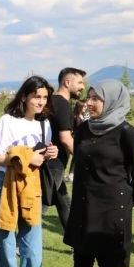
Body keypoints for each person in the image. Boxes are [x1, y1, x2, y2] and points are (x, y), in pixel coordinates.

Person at [63, 79, 134, 267]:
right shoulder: (84, 129)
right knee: (81, 255)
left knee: (107, 259)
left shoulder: (126, 132)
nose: (89, 103)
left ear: (111, 101)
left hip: (111, 206)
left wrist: (130, 198)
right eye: (88, 97)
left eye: (95, 99)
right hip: (83, 202)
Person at [0, 76, 58, 267]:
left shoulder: (44, 124)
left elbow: (38, 157)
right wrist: (25, 158)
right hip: (5, 184)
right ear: (25, 96)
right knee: (4, 243)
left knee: (33, 247)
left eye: (45, 97)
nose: (41, 102)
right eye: (37, 96)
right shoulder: (8, 121)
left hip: (31, 186)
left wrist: (50, 153)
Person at [45, 68, 86, 228]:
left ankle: (76, 243)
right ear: (67, 82)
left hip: (54, 163)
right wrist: (85, 160)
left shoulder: (53, 101)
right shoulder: (62, 104)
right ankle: (21, 245)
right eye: (80, 82)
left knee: (64, 202)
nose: (82, 87)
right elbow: (66, 139)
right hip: (53, 164)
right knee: (41, 205)